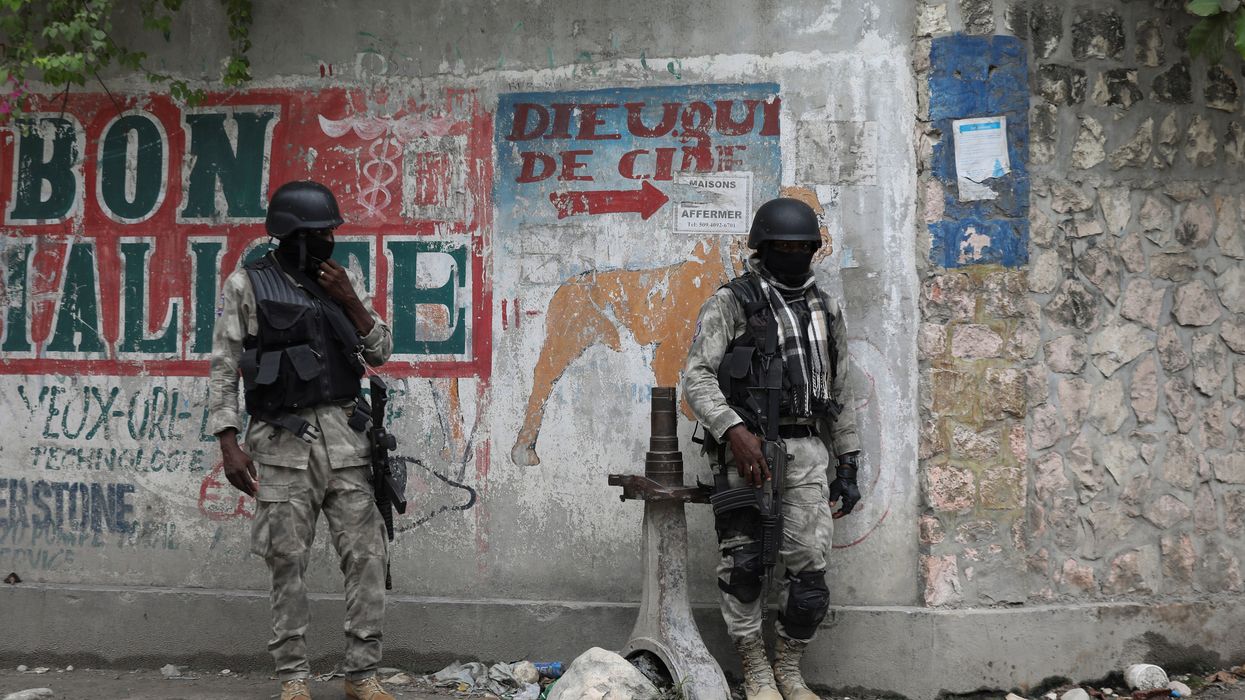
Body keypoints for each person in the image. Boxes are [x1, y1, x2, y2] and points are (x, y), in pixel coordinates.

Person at [207, 180, 396, 700]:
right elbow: (225, 364)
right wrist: (227, 439)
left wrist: (350, 300)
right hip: (282, 441)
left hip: (347, 441)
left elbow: (380, 351)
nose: (330, 241)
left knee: (367, 556)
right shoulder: (247, 284)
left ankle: (363, 675)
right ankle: (293, 677)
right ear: (297, 235)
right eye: (322, 233)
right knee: (286, 559)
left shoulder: (339, 283)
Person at [682, 197, 863, 700]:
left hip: (805, 451)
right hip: (745, 455)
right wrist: (732, 429)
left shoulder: (825, 308)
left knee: (809, 574)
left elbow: (842, 391)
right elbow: (696, 376)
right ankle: (755, 670)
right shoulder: (732, 301)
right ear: (762, 247)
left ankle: (788, 666)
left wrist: (848, 462)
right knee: (743, 568)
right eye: (782, 245)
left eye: (801, 247)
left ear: (812, 250)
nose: (792, 253)